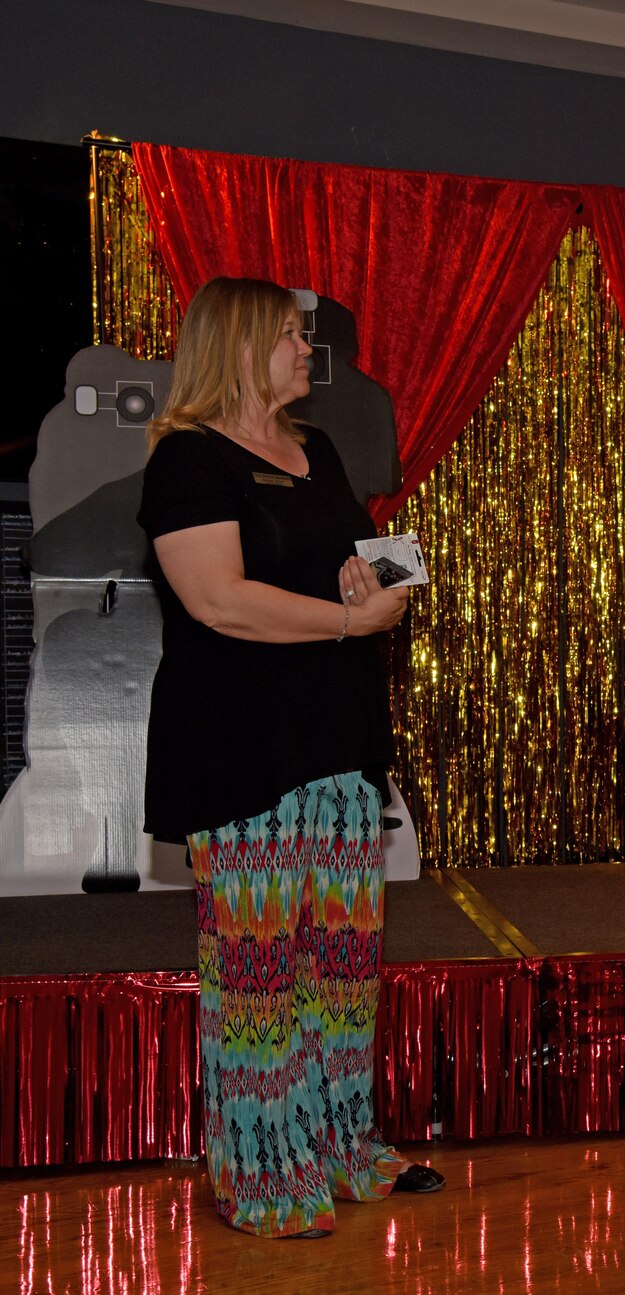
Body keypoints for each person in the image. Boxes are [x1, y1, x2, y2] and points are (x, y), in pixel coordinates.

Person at [139, 276, 443, 1239]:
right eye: (287, 336)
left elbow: (370, 557)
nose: (306, 352)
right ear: (236, 345)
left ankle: (340, 1145)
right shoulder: (187, 460)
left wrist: (376, 577)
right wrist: (351, 618)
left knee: (342, 964)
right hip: (244, 753)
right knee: (259, 974)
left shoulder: (314, 447)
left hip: (338, 749)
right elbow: (220, 601)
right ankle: (260, 1169)